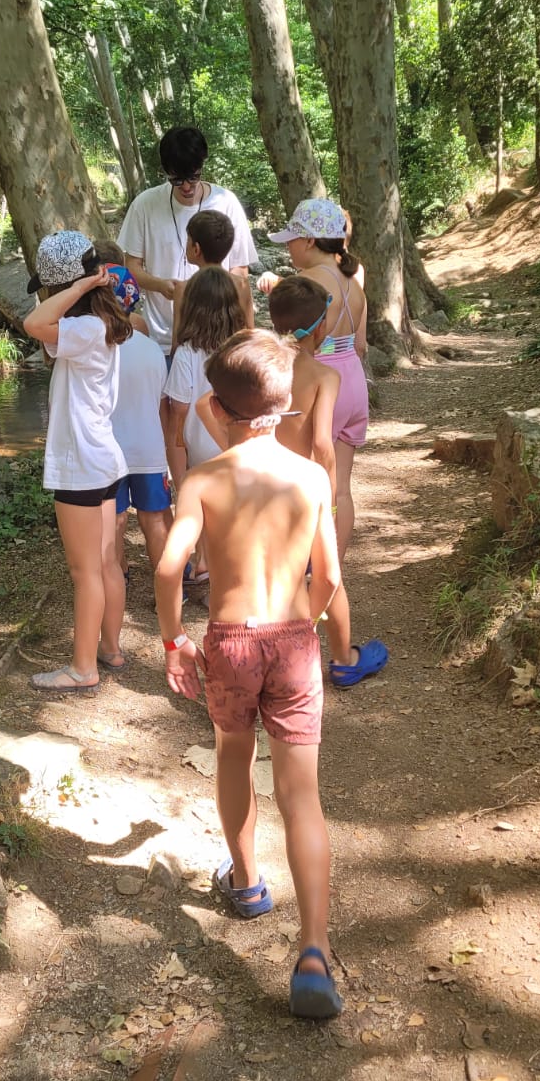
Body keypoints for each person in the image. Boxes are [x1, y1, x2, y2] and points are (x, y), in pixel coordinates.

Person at [154, 330, 343, 1020]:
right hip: (292, 639)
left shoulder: (204, 480)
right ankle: (314, 950)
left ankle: (248, 882)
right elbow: (330, 576)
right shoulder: (311, 476)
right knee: (302, 795)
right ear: (287, 404)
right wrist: (306, 625)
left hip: (230, 642)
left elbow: (169, 567)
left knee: (234, 755)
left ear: (216, 406)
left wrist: (175, 641)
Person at [23, 230, 130, 692]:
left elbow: (33, 323)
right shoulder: (98, 324)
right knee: (105, 564)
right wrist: (87, 284)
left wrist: (84, 283)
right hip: (102, 458)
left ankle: (83, 668)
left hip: (81, 463)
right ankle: (110, 648)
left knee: (84, 571)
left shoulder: (84, 328)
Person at [268, 276, 387, 689]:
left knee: (279, 576)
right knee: (326, 573)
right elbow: (322, 442)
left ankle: (274, 662)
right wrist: (331, 496)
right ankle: (343, 659)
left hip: (269, 487)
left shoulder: (266, 368)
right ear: (321, 328)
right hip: (306, 491)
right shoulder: (324, 376)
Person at [117, 126, 257, 359]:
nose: (186, 186)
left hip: (218, 341)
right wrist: (160, 285)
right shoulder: (145, 205)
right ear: (165, 172)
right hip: (160, 340)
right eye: (177, 179)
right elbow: (131, 267)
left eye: (193, 177)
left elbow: (240, 269)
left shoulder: (226, 202)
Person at [93, 238, 173, 592]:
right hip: (149, 450)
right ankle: (168, 587)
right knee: (154, 520)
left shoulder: (93, 350)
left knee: (114, 520)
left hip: (108, 452)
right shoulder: (152, 350)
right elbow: (161, 404)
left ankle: (117, 578)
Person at [163, 266, 245, 584]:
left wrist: (178, 468)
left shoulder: (187, 353)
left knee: (203, 508)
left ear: (192, 308)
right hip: (236, 441)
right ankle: (222, 566)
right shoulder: (242, 349)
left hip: (199, 445)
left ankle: (205, 563)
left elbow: (178, 412)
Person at [257, 197, 367, 360]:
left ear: (309, 241)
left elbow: (289, 347)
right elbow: (360, 346)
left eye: (291, 238)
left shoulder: (305, 284)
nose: (287, 245)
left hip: (314, 371)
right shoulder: (354, 282)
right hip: (352, 371)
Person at [174, 208, 255, 334]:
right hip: (233, 347)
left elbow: (177, 339)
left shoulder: (183, 289)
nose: (186, 243)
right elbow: (250, 332)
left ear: (196, 249)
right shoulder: (241, 285)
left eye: (188, 239)